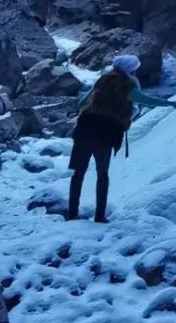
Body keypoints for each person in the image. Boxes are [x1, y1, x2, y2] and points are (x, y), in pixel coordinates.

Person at [66, 53, 169, 223]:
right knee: (102, 174)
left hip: (85, 128)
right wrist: (170, 104)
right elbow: (148, 101)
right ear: (131, 70)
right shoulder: (127, 86)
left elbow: (82, 101)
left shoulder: (102, 80)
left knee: (78, 174)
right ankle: (99, 216)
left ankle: (72, 213)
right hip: (105, 133)